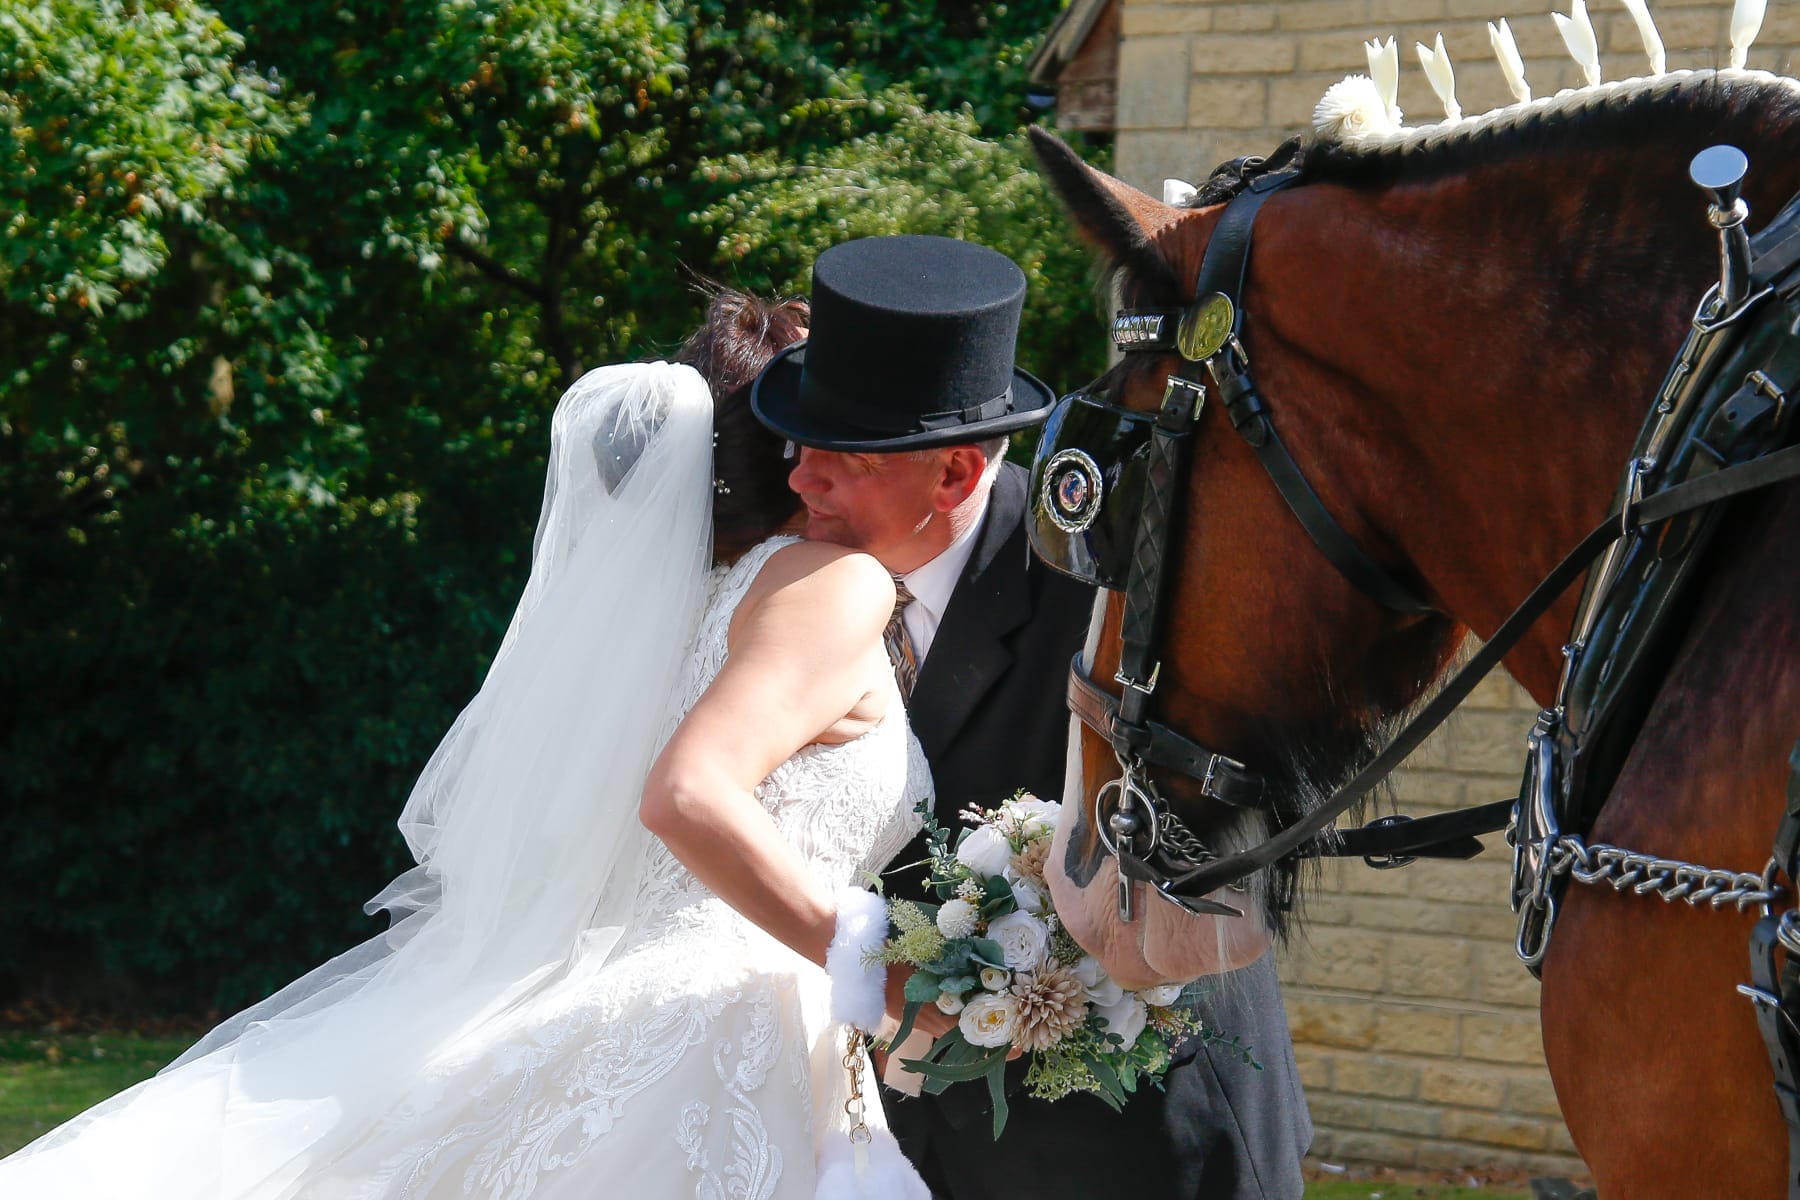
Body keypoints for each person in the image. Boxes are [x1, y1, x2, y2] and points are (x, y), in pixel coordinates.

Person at [0, 292, 934, 1199]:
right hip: (712, 1027)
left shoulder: (662, 612)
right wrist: (883, 974)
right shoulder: (826, 581)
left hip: (624, 1000)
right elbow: (687, 796)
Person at [751, 234, 1314, 1199]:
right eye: (798, 444)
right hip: (903, 1141)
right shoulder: (795, 598)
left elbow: (1242, 846)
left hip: (1141, 1141)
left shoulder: (1115, 592)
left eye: (841, 458)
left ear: (957, 475)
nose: (799, 479)